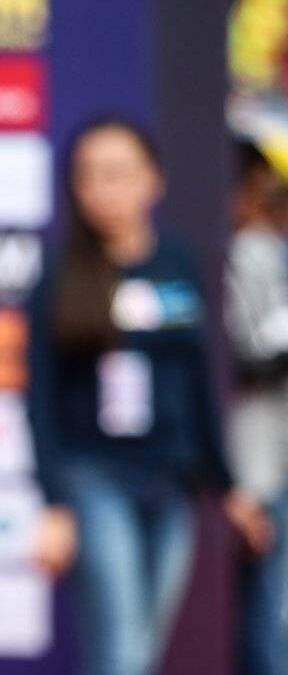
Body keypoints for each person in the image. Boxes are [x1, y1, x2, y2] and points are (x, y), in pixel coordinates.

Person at [25, 116, 265, 675]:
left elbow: (198, 379)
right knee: (123, 654)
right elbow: (41, 397)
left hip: (170, 480)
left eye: (118, 173)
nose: (103, 189)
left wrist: (227, 485)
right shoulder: (60, 274)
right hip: (94, 476)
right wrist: (54, 502)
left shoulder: (177, 263)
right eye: (89, 176)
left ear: (152, 179)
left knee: (142, 652)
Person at [226, 140, 287, 675]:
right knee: (266, 612)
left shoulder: (263, 248)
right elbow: (250, 354)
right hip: (253, 466)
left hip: (268, 461)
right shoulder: (243, 251)